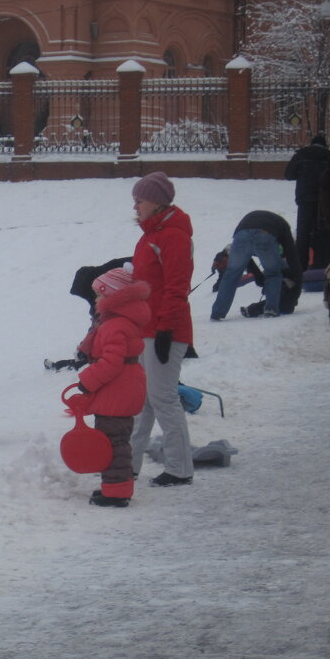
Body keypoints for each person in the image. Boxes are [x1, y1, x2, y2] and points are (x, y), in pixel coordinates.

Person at [127, 172, 195, 488]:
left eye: (139, 200)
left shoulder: (173, 236)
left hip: (166, 330)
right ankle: (128, 465)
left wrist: (166, 328)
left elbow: (176, 286)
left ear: (156, 201)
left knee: (163, 398)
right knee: (142, 399)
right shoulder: (149, 236)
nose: (135, 205)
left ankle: (180, 468)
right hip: (147, 329)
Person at [71, 266, 150, 507]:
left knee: (113, 442)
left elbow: (112, 362)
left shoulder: (115, 325)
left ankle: (116, 492)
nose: (95, 299)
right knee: (116, 439)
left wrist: (87, 380)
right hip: (121, 388)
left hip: (117, 390)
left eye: (99, 294)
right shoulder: (119, 321)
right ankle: (115, 486)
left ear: (113, 296)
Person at [210, 210, 302, 320]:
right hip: (265, 233)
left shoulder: (274, 222)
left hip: (241, 234)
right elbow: (293, 257)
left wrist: (257, 276)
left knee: (231, 276)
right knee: (273, 274)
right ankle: (271, 310)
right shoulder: (284, 229)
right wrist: (297, 282)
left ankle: (217, 313)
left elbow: (247, 260)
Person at [285, 134, 330, 269]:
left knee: (303, 234)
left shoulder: (301, 155)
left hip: (305, 200)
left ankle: (301, 267)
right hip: (324, 201)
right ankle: (320, 265)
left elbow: (289, 174)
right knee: (321, 233)